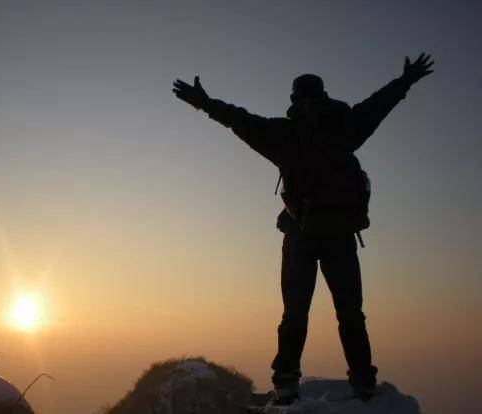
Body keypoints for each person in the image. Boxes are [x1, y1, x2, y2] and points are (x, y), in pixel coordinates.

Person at [172, 53, 434, 405]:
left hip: (300, 236)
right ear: (324, 96)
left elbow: (238, 120)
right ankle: (362, 381)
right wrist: (406, 80)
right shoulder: (346, 126)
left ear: (294, 100)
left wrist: (203, 102)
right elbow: (378, 105)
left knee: (295, 313)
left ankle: (286, 381)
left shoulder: (283, 134)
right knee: (350, 314)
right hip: (340, 236)